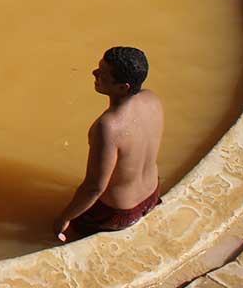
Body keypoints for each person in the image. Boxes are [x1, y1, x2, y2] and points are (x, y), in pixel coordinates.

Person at [54, 47, 164, 241]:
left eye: (102, 73)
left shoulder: (108, 127)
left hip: (120, 212)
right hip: (152, 194)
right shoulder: (151, 99)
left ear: (123, 87)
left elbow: (94, 187)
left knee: (61, 232)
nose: (94, 73)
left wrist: (64, 218)